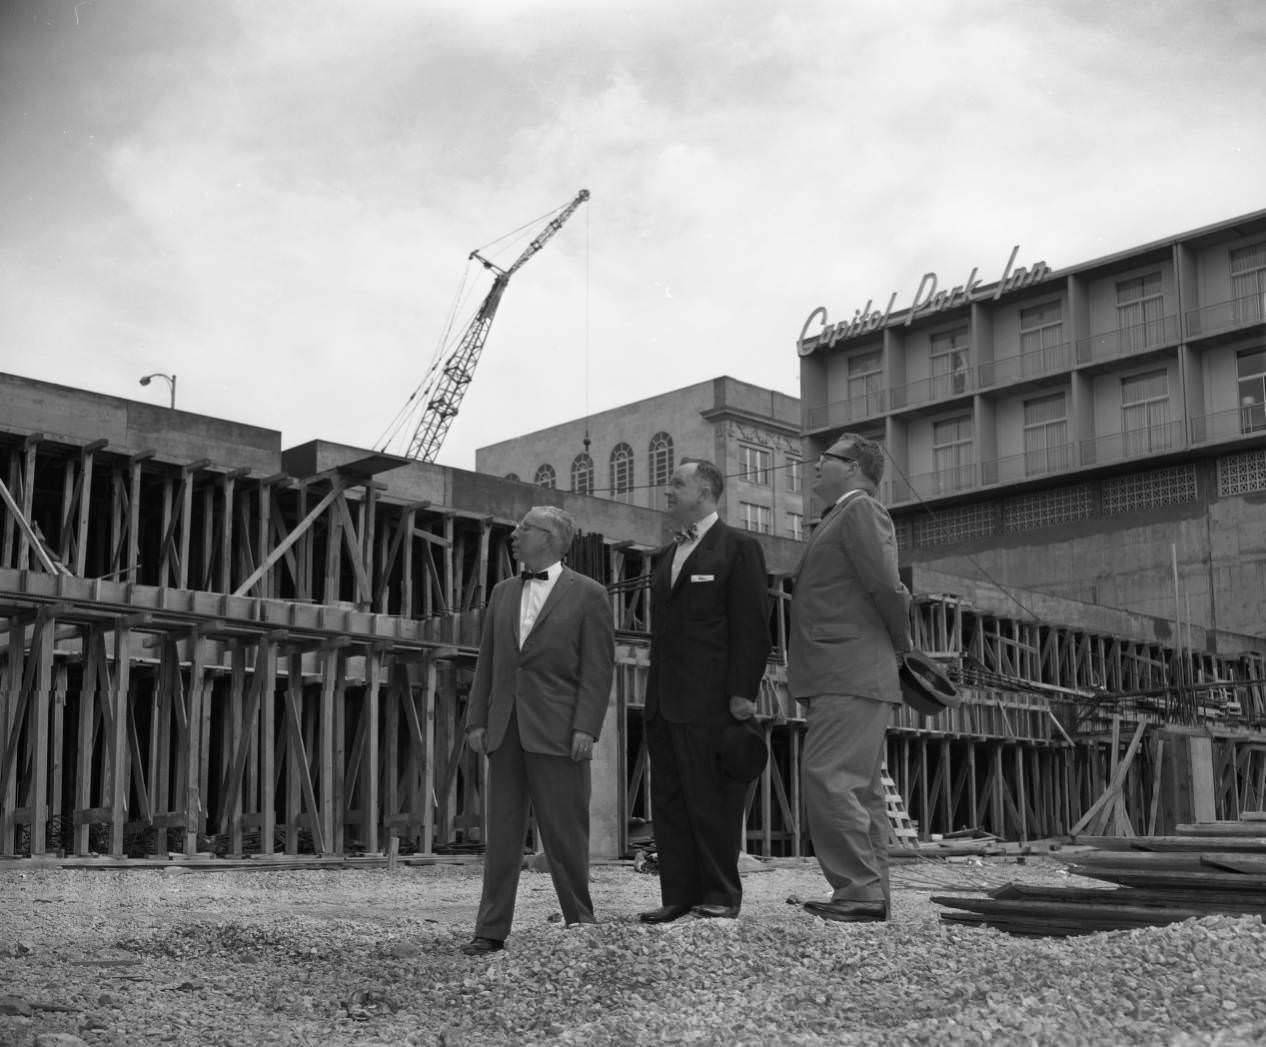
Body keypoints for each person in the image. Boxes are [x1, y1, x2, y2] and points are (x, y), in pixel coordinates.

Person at [462, 506, 615, 955]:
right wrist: (476, 719)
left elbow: (597, 669)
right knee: (503, 836)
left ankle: (580, 922)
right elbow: (487, 660)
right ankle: (490, 930)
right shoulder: (503, 592)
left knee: (566, 833)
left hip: (559, 730)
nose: (515, 533)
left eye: (524, 528)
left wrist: (586, 726)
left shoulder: (589, 595)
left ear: (548, 538)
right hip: (506, 728)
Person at [789, 433, 913, 923]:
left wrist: (902, 644)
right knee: (859, 789)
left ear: (856, 467)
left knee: (828, 777)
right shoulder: (839, 516)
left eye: (828, 459)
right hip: (847, 672)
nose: (816, 466)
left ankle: (858, 889)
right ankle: (869, 893)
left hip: (849, 670)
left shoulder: (860, 510)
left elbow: (887, 584)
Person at [639, 459, 771, 922]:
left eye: (677, 483)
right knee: (671, 802)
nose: (667, 490)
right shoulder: (664, 556)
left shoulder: (738, 548)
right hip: (664, 702)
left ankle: (719, 894)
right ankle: (678, 895)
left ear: (707, 492)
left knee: (712, 799)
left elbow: (753, 626)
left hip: (713, 700)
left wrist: (742, 692)